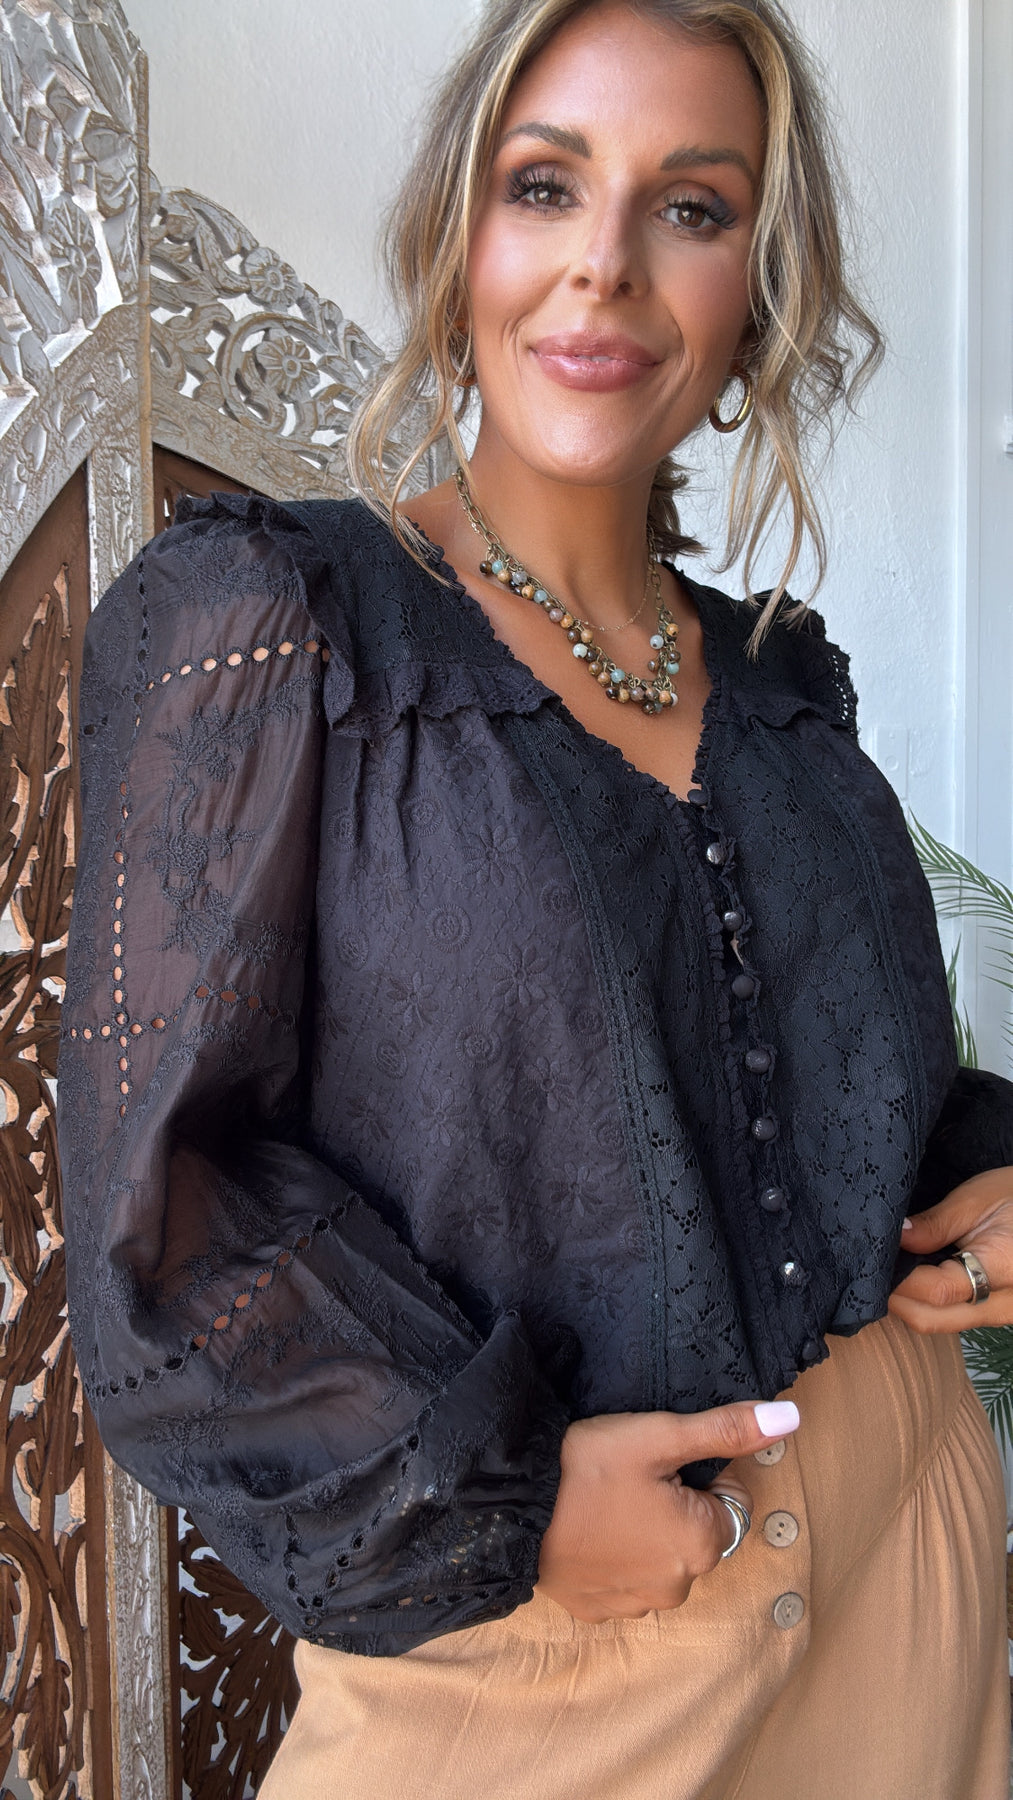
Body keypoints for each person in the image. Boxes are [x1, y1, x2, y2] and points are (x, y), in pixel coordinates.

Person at [58, 1, 1013, 1795]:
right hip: (551, 1651)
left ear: (755, 295)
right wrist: (495, 1502)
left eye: (691, 207)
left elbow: (806, 1080)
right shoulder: (273, 623)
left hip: (909, 1567)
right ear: (456, 236)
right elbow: (161, 1209)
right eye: (546, 185)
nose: (604, 267)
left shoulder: (785, 685)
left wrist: (992, 1173)